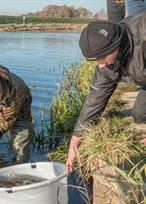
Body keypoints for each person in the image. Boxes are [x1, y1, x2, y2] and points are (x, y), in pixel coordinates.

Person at [66, 9, 146, 172]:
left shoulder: (142, 39)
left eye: (101, 58)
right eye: (96, 60)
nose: (100, 64)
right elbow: (96, 96)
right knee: (140, 114)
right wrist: (76, 138)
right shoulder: (108, 56)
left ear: (115, 46)